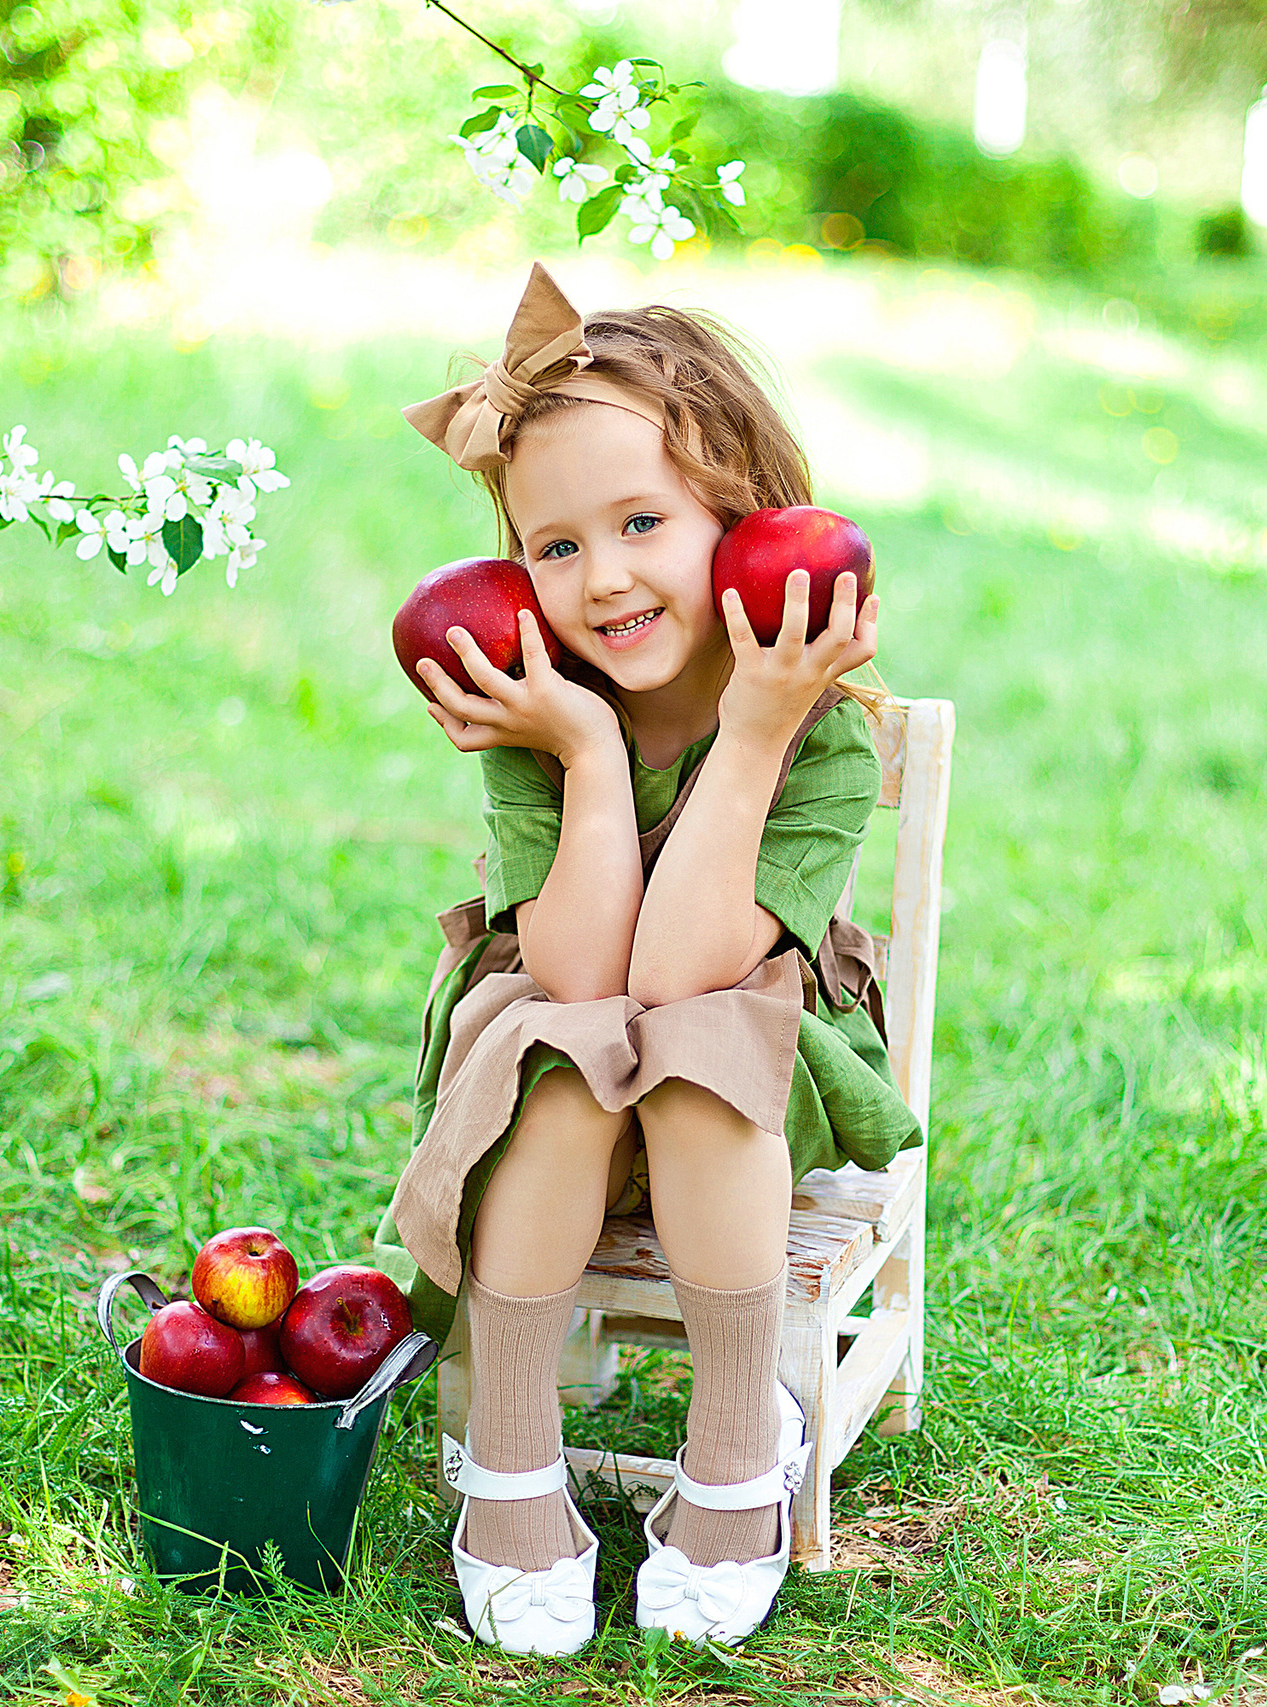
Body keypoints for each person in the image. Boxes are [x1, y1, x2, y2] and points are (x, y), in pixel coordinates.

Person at [376, 262, 922, 1655]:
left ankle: (737, 1450)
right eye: (555, 548)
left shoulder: (819, 734)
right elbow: (576, 974)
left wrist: (748, 733)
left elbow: (683, 978)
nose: (602, 576)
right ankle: (511, 1465)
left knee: (692, 1050)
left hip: (736, 1070)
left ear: (740, 514)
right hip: (551, 1059)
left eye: (640, 522)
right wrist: (578, 751)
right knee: (568, 1051)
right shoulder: (530, 707)